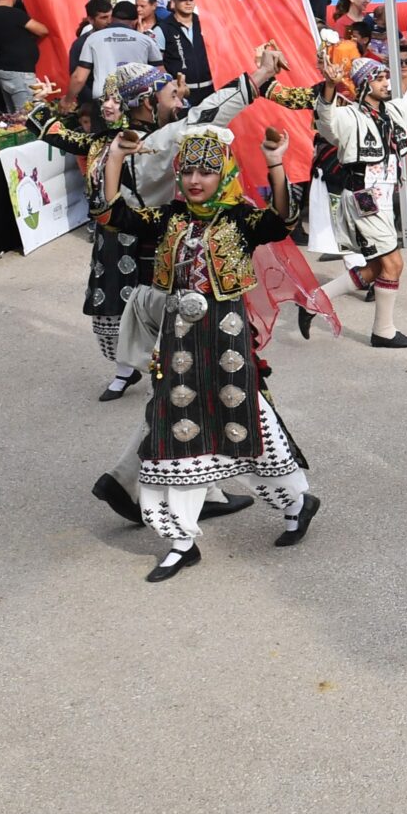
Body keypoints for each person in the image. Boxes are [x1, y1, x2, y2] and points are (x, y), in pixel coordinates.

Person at [91, 122, 315, 583]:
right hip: (178, 346)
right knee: (175, 434)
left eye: (207, 173)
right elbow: (113, 215)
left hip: (228, 342)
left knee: (253, 428)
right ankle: (180, 541)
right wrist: (114, 156)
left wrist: (275, 162)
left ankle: (296, 502)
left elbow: (282, 220)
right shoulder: (170, 218)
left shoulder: (240, 220)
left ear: (225, 174)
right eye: (188, 171)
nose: (196, 180)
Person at [286, 56, 407, 348]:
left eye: (386, 77)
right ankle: (384, 331)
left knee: (378, 268)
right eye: (378, 79)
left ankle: (312, 301)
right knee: (394, 264)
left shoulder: (393, 111)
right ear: (364, 83)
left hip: (384, 197)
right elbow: (325, 121)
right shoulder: (348, 116)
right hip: (364, 197)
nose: (386, 83)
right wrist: (329, 85)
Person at [0, 0, 47, 114]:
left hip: (2, 68)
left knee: (15, 115)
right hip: (19, 71)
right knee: (29, 114)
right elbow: (42, 30)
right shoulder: (14, 13)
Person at [159, 0, 211, 89]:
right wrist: (170, 86)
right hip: (181, 93)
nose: (188, 3)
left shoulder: (205, 23)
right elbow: (157, 64)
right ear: (173, 1)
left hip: (209, 89)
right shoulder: (163, 28)